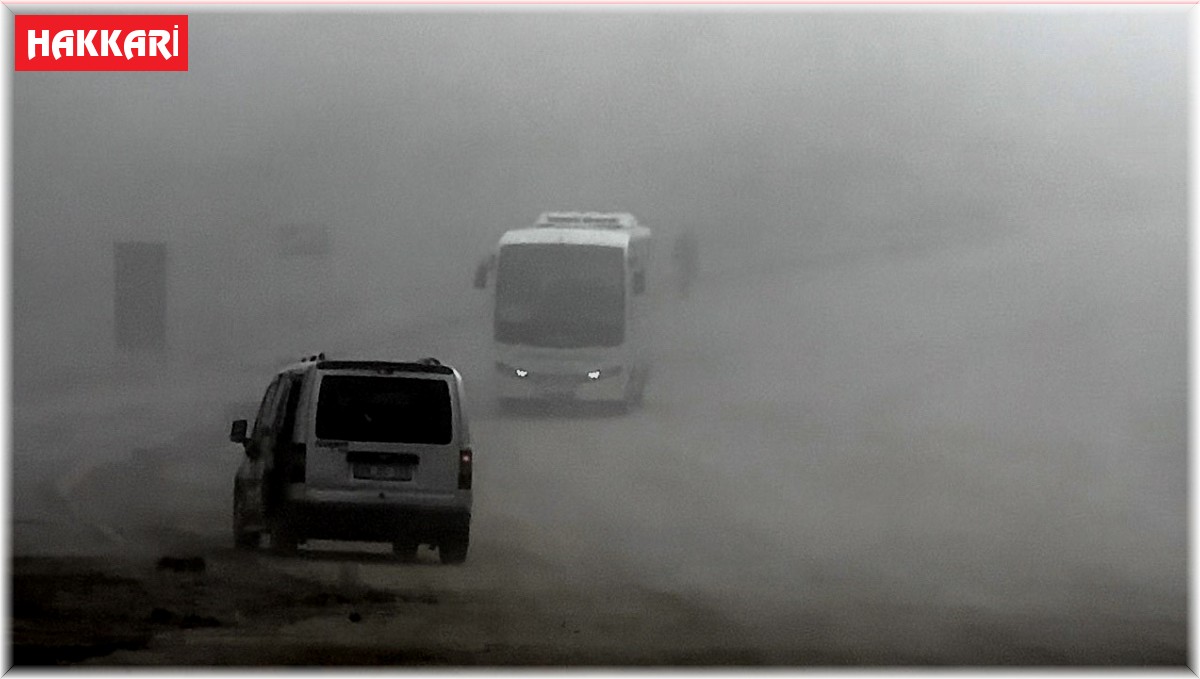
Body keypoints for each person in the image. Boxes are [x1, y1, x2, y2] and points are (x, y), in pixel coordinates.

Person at [672, 230, 698, 298]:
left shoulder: (681, 243)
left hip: (684, 263)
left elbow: (676, 253)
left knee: (684, 276)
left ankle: (683, 292)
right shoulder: (688, 243)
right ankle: (684, 292)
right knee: (684, 276)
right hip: (684, 263)